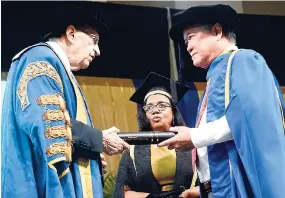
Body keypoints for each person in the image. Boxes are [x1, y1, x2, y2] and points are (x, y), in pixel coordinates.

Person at [158, 4, 285, 198]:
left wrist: (195, 137)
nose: (188, 47)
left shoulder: (245, 61)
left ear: (217, 31)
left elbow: (248, 116)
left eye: (190, 38)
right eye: (185, 42)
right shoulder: (216, 75)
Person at [1, 7, 129, 198]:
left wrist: (90, 155)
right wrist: (98, 139)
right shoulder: (40, 59)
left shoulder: (58, 66)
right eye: (94, 41)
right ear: (71, 33)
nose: (98, 51)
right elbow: (50, 127)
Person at [114, 72, 200, 198]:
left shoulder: (191, 142)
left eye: (162, 105)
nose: (155, 111)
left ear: (173, 110)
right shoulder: (132, 150)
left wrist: (193, 193)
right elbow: (121, 192)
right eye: (149, 107)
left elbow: (210, 181)